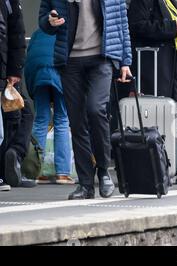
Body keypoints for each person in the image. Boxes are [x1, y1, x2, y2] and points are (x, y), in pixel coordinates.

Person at [39, 0, 133, 200]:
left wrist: (125, 61)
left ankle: (103, 169)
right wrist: (50, 22)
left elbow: (121, 21)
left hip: (102, 58)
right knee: (77, 120)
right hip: (70, 61)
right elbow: (44, 21)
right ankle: (85, 184)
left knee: (95, 109)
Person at [128, 0, 177, 135]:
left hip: (175, 61)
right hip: (155, 66)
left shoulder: (169, 2)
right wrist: (170, 26)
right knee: (160, 114)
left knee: (176, 115)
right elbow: (137, 25)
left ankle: (171, 150)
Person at [25, 29, 74, 185]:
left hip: (39, 76)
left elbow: (30, 62)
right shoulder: (69, 31)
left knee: (40, 120)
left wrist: (31, 86)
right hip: (60, 74)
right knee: (61, 120)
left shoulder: (38, 33)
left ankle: (35, 171)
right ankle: (62, 173)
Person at [0, 0, 30, 192]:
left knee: (21, 113)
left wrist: (13, 70)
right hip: (6, 71)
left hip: (5, 72)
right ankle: (13, 158)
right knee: (17, 116)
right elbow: (17, 34)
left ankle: (11, 160)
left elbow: (15, 34)